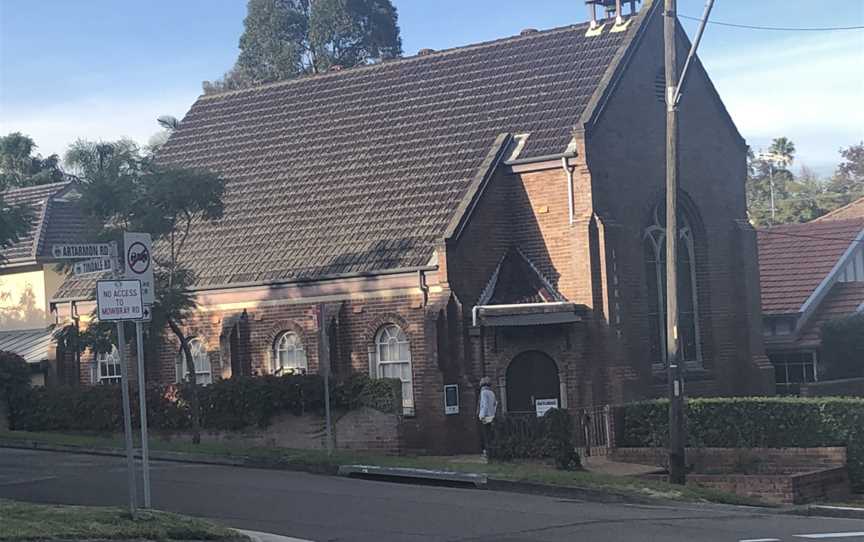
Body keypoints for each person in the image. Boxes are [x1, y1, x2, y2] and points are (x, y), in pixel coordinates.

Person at [478, 376, 497, 458]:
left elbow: (484, 405)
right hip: (491, 416)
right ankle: (491, 451)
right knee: (490, 434)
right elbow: (495, 404)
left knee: (485, 434)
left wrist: (481, 416)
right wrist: (493, 413)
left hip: (485, 417)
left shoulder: (483, 392)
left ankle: (487, 453)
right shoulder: (492, 393)